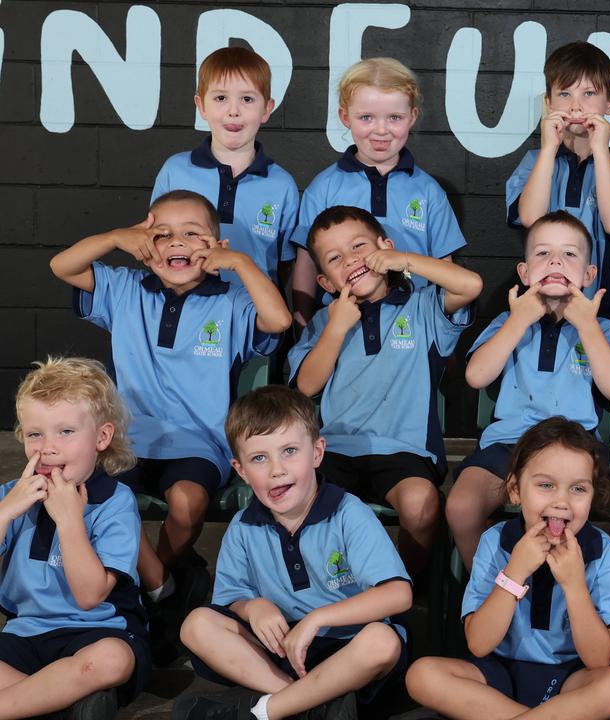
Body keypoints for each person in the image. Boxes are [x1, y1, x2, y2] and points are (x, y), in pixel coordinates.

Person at [49, 190, 291, 660]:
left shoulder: (232, 300)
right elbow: (63, 265)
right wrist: (116, 237)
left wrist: (238, 261)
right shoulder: (124, 288)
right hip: (125, 437)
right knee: (105, 496)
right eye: (162, 235)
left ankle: (153, 582)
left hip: (197, 441)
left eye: (193, 235)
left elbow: (278, 319)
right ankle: (164, 589)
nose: (177, 243)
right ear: (145, 243)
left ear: (216, 245)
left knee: (186, 501)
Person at [173, 385, 412, 720]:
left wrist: (318, 619)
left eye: (289, 451)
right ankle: (305, 704)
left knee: (382, 642)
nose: (276, 469)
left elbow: (398, 595)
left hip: (347, 648)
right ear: (240, 470)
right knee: (197, 625)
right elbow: (233, 597)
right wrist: (252, 606)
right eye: (259, 458)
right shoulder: (243, 527)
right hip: (282, 651)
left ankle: (267, 710)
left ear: (317, 452)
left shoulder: (348, 513)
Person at [288, 205, 482, 581]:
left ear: (385, 247)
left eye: (359, 246)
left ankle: (405, 591)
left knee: (421, 504)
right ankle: (338, 592)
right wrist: (336, 329)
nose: (350, 260)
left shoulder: (422, 307)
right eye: (334, 258)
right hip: (336, 450)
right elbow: (307, 385)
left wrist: (404, 260)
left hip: (405, 449)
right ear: (326, 283)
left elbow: (470, 285)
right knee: (305, 504)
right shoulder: (323, 322)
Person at [407, 417, 610, 720]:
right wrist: (514, 572)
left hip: (570, 680)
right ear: (515, 490)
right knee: (422, 675)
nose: (561, 501)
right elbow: (478, 644)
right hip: (498, 673)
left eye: (578, 489)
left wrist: (574, 584)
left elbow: (599, 659)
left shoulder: (602, 551)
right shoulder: (495, 542)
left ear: (593, 495)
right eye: (545, 485)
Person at [449, 211, 610, 569]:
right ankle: (490, 593)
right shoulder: (509, 321)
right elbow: (476, 376)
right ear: (525, 272)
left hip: (575, 448)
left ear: (589, 275)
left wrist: (587, 326)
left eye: (570, 254)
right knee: (460, 506)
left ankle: (565, 592)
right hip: (509, 444)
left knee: (566, 515)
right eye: (543, 254)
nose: (556, 261)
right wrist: (518, 320)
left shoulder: (603, 328)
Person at [0, 357, 148, 720]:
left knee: (111, 661)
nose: (47, 447)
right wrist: (5, 513)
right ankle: (62, 708)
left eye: (65, 432)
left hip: (97, 632)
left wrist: (69, 522)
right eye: (35, 434)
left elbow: (88, 596)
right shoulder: (11, 496)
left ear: (102, 437)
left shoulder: (115, 502)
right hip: (25, 633)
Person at [289, 57, 467, 328]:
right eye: (366, 117)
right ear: (345, 117)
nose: (381, 130)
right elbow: (306, 264)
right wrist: (303, 326)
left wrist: (442, 329)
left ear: (412, 117)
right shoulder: (323, 188)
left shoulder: (429, 192)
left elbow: (445, 266)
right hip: (344, 327)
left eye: (394, 117)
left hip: (412, 327)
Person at [506, 41, 610, 320]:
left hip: (595, 307)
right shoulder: (536, 161)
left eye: (589, 93)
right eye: (564, 94)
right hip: (536, 307)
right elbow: (529, 217)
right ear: (548, 103)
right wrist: (548, 148)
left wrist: (600, 150)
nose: (575, 106)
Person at [152, 46, 299, 288]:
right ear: (201, 106)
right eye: (221, 98)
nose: (233, 111)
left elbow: (284, 267)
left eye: (247, 99)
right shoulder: (175, 171)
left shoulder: (281, 185)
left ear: (267, 109)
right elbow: (156, 245)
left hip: (254, 317)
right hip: (188, 312)